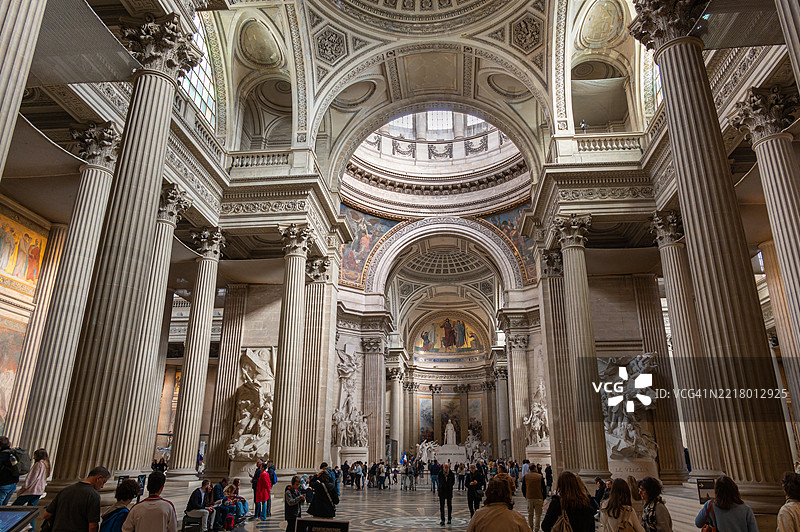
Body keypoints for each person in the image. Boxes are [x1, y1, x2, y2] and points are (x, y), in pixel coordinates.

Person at [43, 466, 110, 532]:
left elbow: (47, 515)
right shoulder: (93, 495)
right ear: (98, 478)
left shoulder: (65, 490)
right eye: (103, 482)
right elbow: (92, 525)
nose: (102, 486)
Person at [12, 448, 49, 512]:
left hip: (32, 489)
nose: (34, 458)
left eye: (35, 455)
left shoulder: (38, 464)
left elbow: (32, 478)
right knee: (31, 509)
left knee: (15, 506)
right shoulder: (46, 465)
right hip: (39, 490)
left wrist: (24, 487)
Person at [522, 459, 545, 532]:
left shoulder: (526, 476)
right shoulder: (540, 476)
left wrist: (526, 496)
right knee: (538, 515)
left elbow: (523, 488)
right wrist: (543, 497)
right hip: (539, 497)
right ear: (535, 468)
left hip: (530, 497)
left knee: (530, 514)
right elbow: (543, 488)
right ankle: (536, 529)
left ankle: (530, 528)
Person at [0, 436, 19, 504]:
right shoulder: (14, 454)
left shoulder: (2, 455)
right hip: (13, 483)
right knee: (4, 505)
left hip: (3, 483)